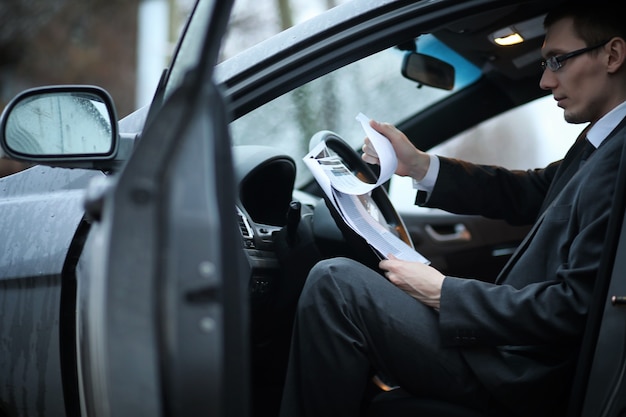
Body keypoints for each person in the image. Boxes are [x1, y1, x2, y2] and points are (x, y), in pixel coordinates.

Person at [278, 2, 626, 417]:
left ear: (612, 55)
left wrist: (441, 292)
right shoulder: (602, 143)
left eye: (557, 60)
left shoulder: (620, 157)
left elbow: (573, 308)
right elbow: (530, 191)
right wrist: (418, 165)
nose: (545, 79)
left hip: (523, 374)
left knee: (335, 283)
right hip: (512, 356)